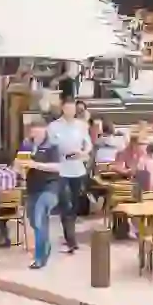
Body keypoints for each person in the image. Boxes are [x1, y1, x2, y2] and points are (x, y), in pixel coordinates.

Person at [47, 101, 90, 255]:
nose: (70, 111)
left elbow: (88, 144)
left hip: (77, 168)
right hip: (61, 169)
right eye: (67, 108)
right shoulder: (53, 127)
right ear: (62, 109)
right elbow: (49, 146)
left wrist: (83, 153)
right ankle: (70, 238)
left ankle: (70, 233)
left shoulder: (81, 125)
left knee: (75, 204)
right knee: (65, 203)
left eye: (72, 109)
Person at [23, 121, 62, 269]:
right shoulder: (26, 145)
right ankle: (46, 245)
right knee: (34, 220)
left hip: (49, 188)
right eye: (34, 132)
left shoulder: (52, 146)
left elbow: (57, 167)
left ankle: (39, 258)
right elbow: (19, 162)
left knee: (40, 216)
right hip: (32, 188)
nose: (36, 135)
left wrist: (36, 165)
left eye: (39, 132)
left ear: (45, 131)